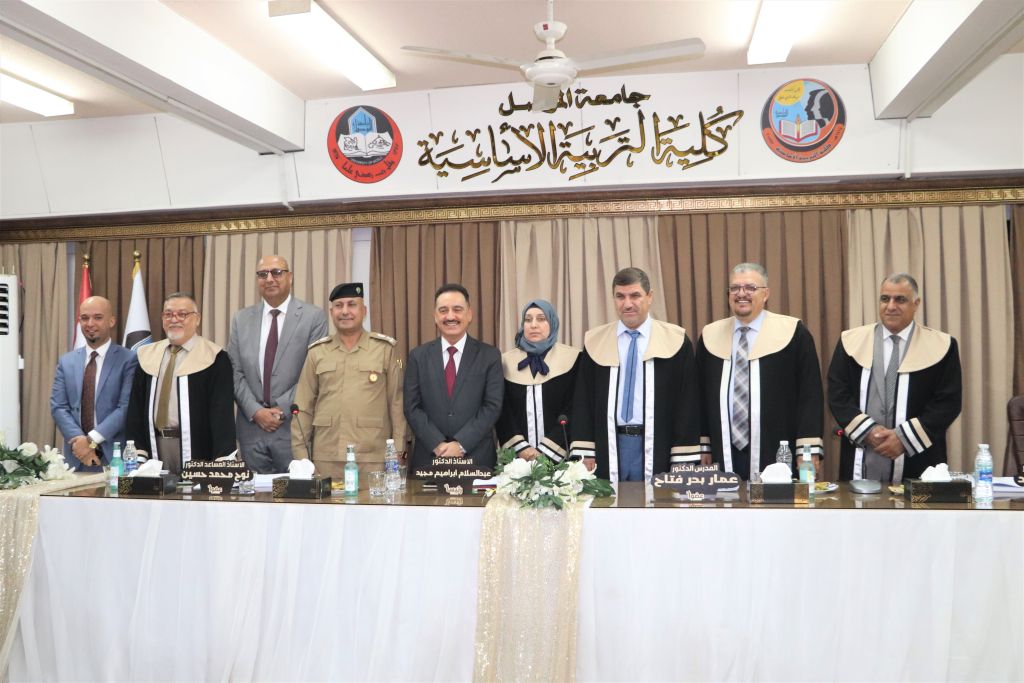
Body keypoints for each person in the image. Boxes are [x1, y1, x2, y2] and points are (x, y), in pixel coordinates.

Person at [570, 267, 701, 482]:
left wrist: (682, 456)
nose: (627, 304)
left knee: (655, 503)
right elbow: (583, 399)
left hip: (659, 444)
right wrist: (586, 450)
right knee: (609, 503)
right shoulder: (596, 341)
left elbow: (687, 402)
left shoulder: (676, 341)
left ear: (650, 297)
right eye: (620, 296)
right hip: (609, 445)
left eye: (635, 295)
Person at [828, 273, 962, 482]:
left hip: (918, 461)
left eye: (900, 299)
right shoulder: (851, 341)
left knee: (916, 504)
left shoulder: (942, 345)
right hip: (861, 454)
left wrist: (903, 439)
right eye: (885, 299)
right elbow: (838, 393)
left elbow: (948, 402)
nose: (891, 306)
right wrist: (868, 432)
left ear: (916, 304)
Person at [695, 263, 824, 480]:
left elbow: (810, 395)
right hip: (722, 449)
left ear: (766, 294)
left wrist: (807, 449)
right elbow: (699, 397)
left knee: (774, 502)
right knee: (725, 501)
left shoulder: (794, 333)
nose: (741, 294)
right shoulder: (710, 336)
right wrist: (704, 444)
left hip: (776, 449)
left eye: (750, 288)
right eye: (735, 288)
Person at [227, 255, 328, 473]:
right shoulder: (241, 319)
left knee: (296, 492)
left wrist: (282, 409)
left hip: (293, 426)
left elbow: (312, 374)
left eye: (277, 272)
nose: (270, 279)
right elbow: (234, 371)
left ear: (290, 277)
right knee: (254, 494)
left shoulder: (313, 317)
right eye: (263, 274)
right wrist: (256, 411)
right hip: (251, 427)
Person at [291, 282, 406, 466]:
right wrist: (301, 456)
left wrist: (399, 451)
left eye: (352, 305)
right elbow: (303, 407)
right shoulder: (317, 352)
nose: (345, 311)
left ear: (364, 311)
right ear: (331, 312)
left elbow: (397, 404)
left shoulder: (384, 349)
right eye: (339, 306)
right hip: (326, 457)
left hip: (373, 458)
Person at [125, 292, 236, 474]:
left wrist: (222, 460)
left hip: (199, 449)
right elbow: (135, 410)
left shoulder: (215, 358)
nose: (174, 319)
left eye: (182, 314)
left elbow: (222, 415)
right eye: (168, 314)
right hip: (155, 446)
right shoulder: (147, 356)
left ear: (197, 319)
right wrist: (138, 453)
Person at [403, 283, 503, 471]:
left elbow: (492, 406)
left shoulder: (490, 356)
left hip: (477, 459)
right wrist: (437, 443)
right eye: (443, 310)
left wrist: (461, 444)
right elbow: (411, 407)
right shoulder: (418, 356)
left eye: (457, 309)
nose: (450, 316)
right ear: (435, 316)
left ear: (469, 314)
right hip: (430, 458)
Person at [50, 296, 138, 472]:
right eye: (84, 318)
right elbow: (58, 406)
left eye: (98, 317)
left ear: (111, 321)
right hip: (77, 456)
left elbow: (126, 407)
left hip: (114, 456)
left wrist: (90, 440)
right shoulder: (66, 361)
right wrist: (79, 441)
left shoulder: (129, 359)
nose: (90, 323)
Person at [495, 299, 580, 462]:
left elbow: (575, 408)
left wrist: (546, 452)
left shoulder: (574, 359)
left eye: (541, 319)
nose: (533, 325)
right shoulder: (504, 362)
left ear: (552, 323)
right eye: (528, 320)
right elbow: (503, 411)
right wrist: (522, 449)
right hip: (517, 461)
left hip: (561, 458)